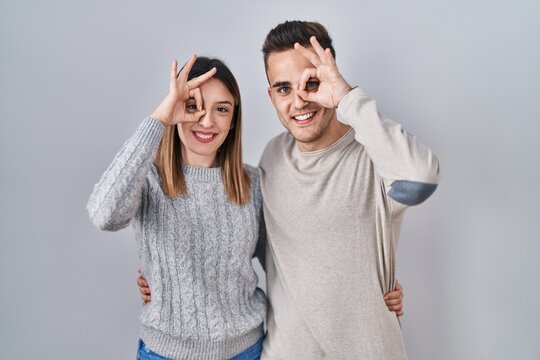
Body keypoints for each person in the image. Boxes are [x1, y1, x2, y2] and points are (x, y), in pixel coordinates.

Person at [87, 56, 268, 359]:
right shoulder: (148, 180)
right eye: (193, 106)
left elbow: (283, 266)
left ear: (233, 119)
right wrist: (159, 118)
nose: (207, 121)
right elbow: (104, 214)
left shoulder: (253, 183)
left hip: (245, 350)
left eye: (221, 109)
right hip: (166, 353)